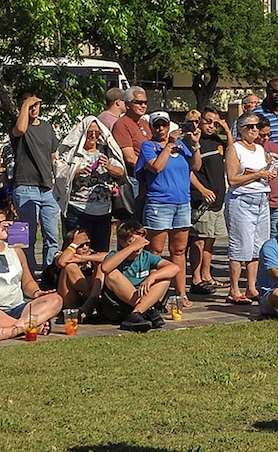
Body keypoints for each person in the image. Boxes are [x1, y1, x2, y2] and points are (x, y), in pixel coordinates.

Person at [0, 208, 63, 334]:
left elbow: (27, 282)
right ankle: (29, 325)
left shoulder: (16, 251)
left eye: (4, 222)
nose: (2, 226)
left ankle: (13, 330)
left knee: (55, 299)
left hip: (17, 307)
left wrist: (36, 292)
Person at [139, 111, 200, 303]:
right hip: (159, 202)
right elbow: (156, 167)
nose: (160, 129)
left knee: (179, 250)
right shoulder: (148, 146)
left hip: (182, 203)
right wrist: (169, 146)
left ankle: (181, 293)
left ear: (169, 125)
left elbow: (195, 166)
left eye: (164, 125)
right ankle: (154, 293)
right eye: (156, 125)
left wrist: (196, 145)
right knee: (155, 251)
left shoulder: (181, 146)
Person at [224, 114, 278, 304]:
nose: (255, 130)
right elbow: (232, 179)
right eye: (251, 127)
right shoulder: (234, 149)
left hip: (261, 199)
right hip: (242, 200)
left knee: (258, 245)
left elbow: (263, 173)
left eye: (257, 127)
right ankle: (234, 289)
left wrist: (270, 171)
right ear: (240, 129)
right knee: (240, 245)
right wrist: (258, 175)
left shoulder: (260, 149)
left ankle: (251, 286)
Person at [8, 93, 61, 271]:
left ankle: (49, 273)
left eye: (36, 104)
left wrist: (57, 180)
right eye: (29, 105)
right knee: (25, 235)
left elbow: (54, 155)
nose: (34, 108)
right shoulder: (17, 126)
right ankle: (27, 273)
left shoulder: (46, 127)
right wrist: (25, 106)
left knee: (52, 235)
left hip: (47, 187)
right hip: (25, 185)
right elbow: (21, 129)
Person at [59, 116, 126, 257]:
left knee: (101, 252)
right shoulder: (73, 152)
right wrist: (77, 172)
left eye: (97, 132)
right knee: (76, 250)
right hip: (77, 209)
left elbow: (120, 172)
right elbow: (60, 174)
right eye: (90, 131)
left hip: (103, 211)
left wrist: (108, 166)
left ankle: (97, 279)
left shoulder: (107, 150)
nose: (94, 135)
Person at [97, 219, 178, 331]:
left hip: (141, 298)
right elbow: (105, 268)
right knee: (112, 274)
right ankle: (146, 310)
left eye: (140, 242)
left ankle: (136, 313)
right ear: (122, 242)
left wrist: (152, 276)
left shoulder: (146, 256)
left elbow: (174, 268)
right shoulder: (115, 255)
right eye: (132, 242)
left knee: (164, 277)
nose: (138, 247)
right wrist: (131, 248)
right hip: (118, 305)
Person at [187, 109, 229, 295]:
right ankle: (195, 278)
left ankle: (206, 275)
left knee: (210, 240)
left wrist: (226, 130)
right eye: (208, 122)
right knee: (199, 241)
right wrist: (202, 190)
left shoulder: (217, 142)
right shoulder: (192, 141)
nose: (211, 126)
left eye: (215, 123)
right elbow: (188, 171)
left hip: (218, 201)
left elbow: (234, 151)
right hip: (201, 200)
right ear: (199, 121)